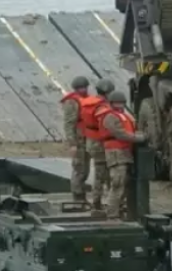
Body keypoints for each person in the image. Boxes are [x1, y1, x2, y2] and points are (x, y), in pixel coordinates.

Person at [100, 90, 146, 220]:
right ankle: (112, 214)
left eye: (121, 103)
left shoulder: (125, 116)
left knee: (123, 184)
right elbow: (120, 134)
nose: (119, 105)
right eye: (116, 103)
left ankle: (116, 210)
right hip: (116, 153)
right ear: (111, 104)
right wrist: (139, 138)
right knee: (117, 183)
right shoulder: (110, 117)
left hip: (124, 152)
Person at [59, 76, 94, 204]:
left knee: (86, 169)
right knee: (79, 169)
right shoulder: (71, 102)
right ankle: (78, 197)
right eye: (80, 88)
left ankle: (81, 196)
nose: (83, 90)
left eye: (84, 87)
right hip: (78, 140)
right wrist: (72, 144)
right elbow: (69, 124)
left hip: (87, 139)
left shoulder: (87, 100)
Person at [82, 78, 115, 209]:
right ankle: (97, 202)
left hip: (91, 141)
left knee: (101, 172)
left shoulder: (88, 103)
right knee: (101, 174)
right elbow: (106, 126)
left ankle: (103, 200)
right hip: (100, 143)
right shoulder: (102, 107)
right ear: (107, 92)